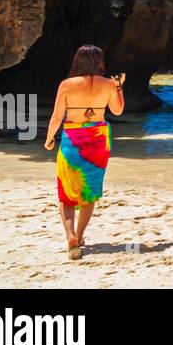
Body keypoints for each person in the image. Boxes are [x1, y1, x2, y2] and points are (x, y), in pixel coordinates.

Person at [44, 45, 125, 260]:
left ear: (77, 61)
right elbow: (117, 110)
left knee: (67, 191)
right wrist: (118, 87)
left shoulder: (67, 85)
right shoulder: (108, 83)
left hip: (73, 139)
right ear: (99, 61)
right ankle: (80, 235)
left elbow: (56, 117)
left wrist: (49, 138)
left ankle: (70, 236)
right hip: (98, 140)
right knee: (89, 190)